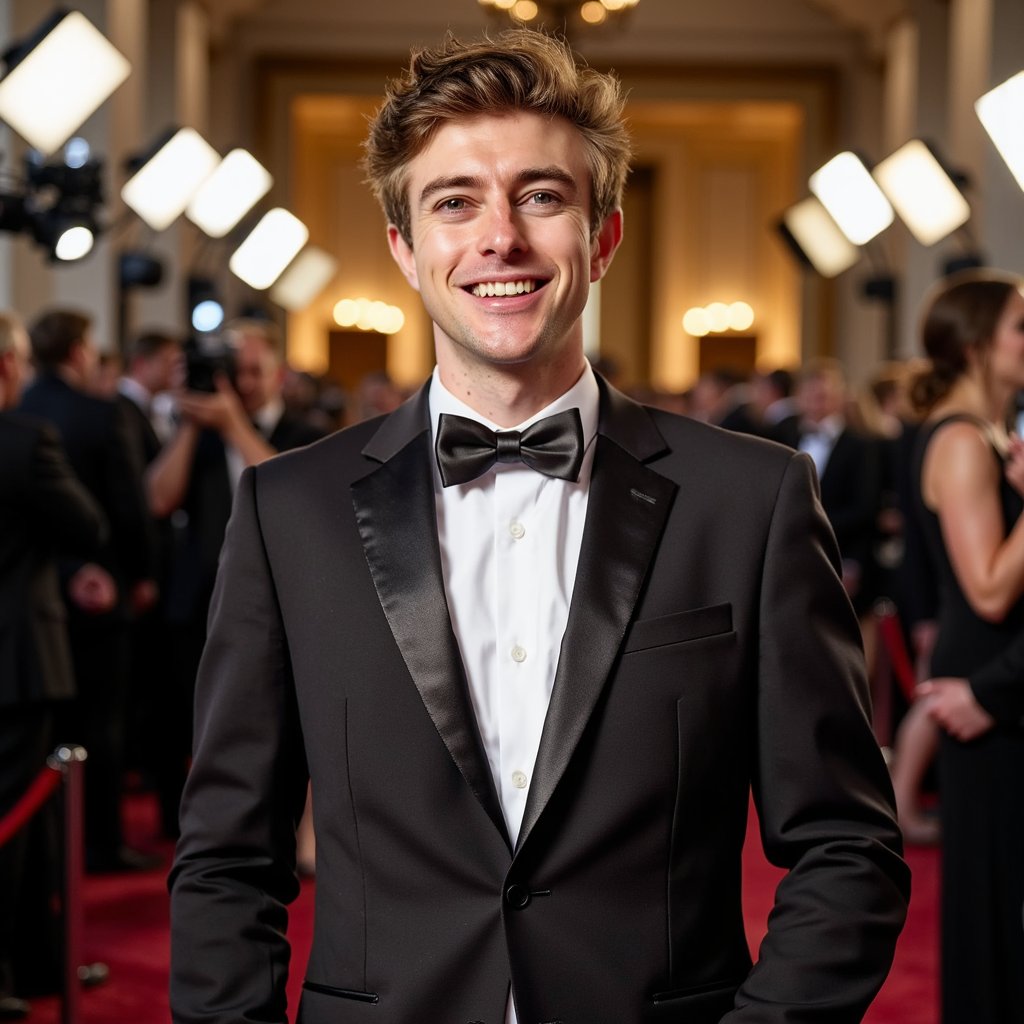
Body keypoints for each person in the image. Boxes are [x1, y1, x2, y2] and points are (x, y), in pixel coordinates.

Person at [169, 30, 908, 1024]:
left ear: (600, 239)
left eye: (542, 196)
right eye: (454, 201)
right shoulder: (286, 511)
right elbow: (225, 859)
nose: (499, 237)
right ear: (405, 247)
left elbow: (844, 847)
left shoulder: (751, 499)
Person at [907, 268, 1024, 1024]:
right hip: (984, 679)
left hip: (991, 677)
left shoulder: (980, 435)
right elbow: (988, 587)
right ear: (980, 346)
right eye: (1022, 329)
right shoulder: (960, 439)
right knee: (992, 901)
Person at [18, 308, 159, 874]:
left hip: (40, 597)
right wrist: (143, 576)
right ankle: (101, 843)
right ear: (78, 350)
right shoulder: (101, 415)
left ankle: (51, 850)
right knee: (104, 722)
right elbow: (128, 508)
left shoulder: (21, 412)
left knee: (52, 731)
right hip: (104, 591)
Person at [0, 312, 108, 1019]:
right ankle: (17, 972)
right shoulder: (21, 440)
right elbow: (86, 525)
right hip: (17, 661)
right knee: (16, 822)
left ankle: (36, 963)